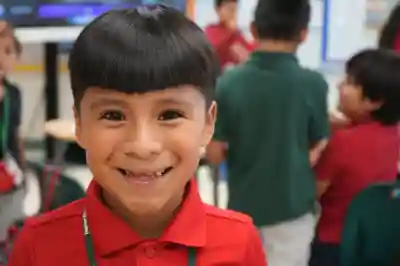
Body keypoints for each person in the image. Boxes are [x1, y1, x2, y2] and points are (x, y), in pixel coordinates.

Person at [7, 5, 266, 266]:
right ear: (80, 124)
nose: (143, 146)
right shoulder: (38, 246)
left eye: (169, 115)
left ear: (208, 123)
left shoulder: (239, 242)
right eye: (113, 116)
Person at [207, 0, 330, 265]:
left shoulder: (228, 83)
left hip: (243, 206)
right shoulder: (313, 84)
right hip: (292, 208)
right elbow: (319, 141)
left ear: (253, 29)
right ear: (304, 34)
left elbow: (214, 153)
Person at [310, 49, 400, 266]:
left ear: (375, 101)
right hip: (381, 245)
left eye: (349, 82)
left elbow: (310, 193)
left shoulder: (342, 143)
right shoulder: (394, 134)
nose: (339, 86)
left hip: (335, 247)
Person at [0, 21, 25, 256]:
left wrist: (22, 170)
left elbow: (15, 134)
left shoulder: (14, 93)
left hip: (7, 173)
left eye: (7, 51)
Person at [205, 0, 253, 70]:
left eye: (234, 9)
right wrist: (231, 32)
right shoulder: (211, 30)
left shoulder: (237, 33)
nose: (232, 13)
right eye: (229, 9)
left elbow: (248, 49)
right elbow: (214, 48)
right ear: (218, 10)